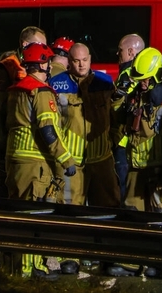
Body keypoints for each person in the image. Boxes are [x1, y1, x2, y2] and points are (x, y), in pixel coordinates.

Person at [5, 42, 77, 278]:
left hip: (15, 161)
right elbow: (48, 130)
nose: (49, 67)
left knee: (18, 215)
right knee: (34, 217)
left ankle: (18, 268)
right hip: (36, 163)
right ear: (42, 64)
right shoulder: (41, 91)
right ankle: (32, 269)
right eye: (47, 62)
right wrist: (66, 160)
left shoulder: (16, 89)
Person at [114, 47, 162, 214]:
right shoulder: (138, 94)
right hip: (135, 172)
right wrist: (119, 96)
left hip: (161, 172)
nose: (142, 83)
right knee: (131, 215)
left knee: (160, 219)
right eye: (140, 80)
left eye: (146, 80)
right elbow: (119, 119)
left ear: (159, 76)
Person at [51, 43, 119, 208]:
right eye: (76, 61)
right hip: (71, 161)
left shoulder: (105, 82)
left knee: (108, 209)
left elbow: (115, 116)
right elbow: (51, 122)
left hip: (101, 159)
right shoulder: (56, 84)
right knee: (68, 210)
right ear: (69, 61)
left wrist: (114, 140)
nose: (81, 64)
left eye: (84, 60)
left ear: (90, 59)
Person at [0, 26, 47, 199]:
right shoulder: (7, 66)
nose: (44, 50)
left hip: (27, 142)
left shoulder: (35, 63)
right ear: (25, 44)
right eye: (40, 44)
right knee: (8, 189)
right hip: (8, 139)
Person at [112, 33, 146, 203]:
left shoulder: (127, 73)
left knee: (123, 187)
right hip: (136, 141)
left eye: (120, 51)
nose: (118, 54)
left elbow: (117, 109)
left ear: (132, 52)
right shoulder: (143, 71)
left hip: (124, 140)